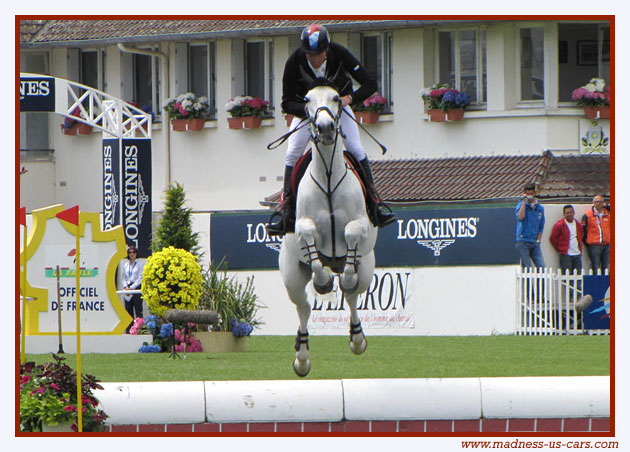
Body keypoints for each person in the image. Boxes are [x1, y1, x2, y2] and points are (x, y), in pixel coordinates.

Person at [266, 24, 395, 236]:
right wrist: (307, 110)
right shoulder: (294, 61)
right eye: (310, 55)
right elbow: (286, 103)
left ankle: (374, 204)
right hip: (308, 113)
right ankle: (287, 211)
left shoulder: (339, 53)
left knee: (355, 148)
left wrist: (349, 99)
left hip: (338, 109)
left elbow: (369, 84)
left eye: (319, 55)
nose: (315, 59)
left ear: (327, 50)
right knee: (292, 152)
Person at [515, 183, 546, 269]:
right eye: (527, 194)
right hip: (523, 241)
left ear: (534, 193)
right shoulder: (520, 205)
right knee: (527, 268)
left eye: (531, 194)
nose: (530, 196)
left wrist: (538, 239)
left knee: (542, 267)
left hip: (534, 242)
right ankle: (528, 283)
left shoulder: (539, 208)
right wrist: (524, 202)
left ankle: (541, 283)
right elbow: (521, 217)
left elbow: (541, 225)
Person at [549, 205, 583, 274]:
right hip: (566, 255)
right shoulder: (560, 225)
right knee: (567, 276)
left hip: (577, 254)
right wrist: (561, 248)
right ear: (564, 214)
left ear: (574, 213)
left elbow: (581, 235)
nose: (569, 214)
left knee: (578, 276)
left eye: (571, 212)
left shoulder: (578, 224)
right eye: (567, 213)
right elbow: (553, 238)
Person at [581, 194, 611, 273]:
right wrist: (588, 243)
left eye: (600, 202)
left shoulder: (607, 214)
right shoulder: (587, 215)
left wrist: (607, 206)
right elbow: (583, 231)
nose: (598, 203)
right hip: (594, 246)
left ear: (603, 203)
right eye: (596, 202)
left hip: (606, 245)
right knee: (596, 267)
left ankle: (606, 285)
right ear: (593, 203)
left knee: (607, 269)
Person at [122, 245, 143, 333]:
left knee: (138, 310)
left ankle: (140, 330)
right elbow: (123, 277)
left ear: (136, 253)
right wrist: (126, 287)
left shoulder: (139, 264)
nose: (132, 254)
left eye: (134, 252)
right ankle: (129, 330)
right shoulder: (125, 265)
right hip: (127, 289)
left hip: (136, 287)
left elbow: (140, 278)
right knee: (128, 310)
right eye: (130, 252)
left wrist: (132, 287)